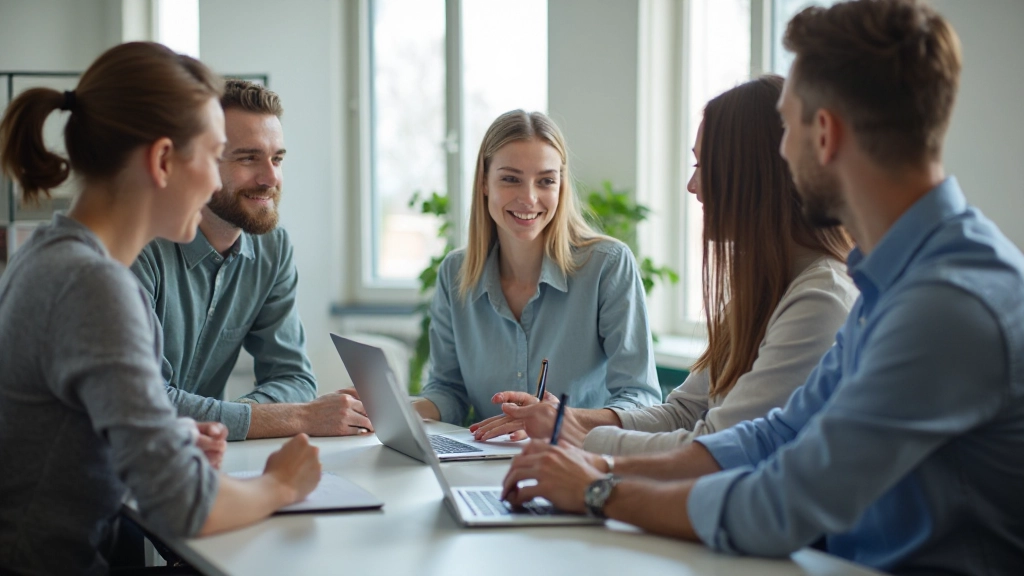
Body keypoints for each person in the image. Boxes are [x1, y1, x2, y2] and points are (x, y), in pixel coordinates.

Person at [500, 1, 1024, 573]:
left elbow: (783, 502)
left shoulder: (946, 304)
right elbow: (771, 438)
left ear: (823, 134)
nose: (780, 152)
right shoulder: (894, 278)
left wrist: (600, 490)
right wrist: (600, 469)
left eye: (789, 126)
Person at [0, 42, 321, 575]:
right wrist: (281, 483)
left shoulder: (53, 254)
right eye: (216, 157)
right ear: (164, 161)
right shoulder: (94, 285)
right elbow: (184, 506)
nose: (217, 183)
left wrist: (167, 439)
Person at [471, 76, 857, 455]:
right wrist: (564, 420)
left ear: (753, 175)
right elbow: (685, 412)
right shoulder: (766, 289)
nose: (692, 186)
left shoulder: (820, 299)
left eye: (704, 166)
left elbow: (715, 450)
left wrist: (574, 438)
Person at [131, 80, 372, 442]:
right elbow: (146, 403)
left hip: (198, 459)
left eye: (277, 159)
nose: (271, 177)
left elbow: (293, 377)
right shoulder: (139, 247)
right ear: (200, 161)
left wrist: (250, 416)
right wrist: (294, 418)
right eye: (248, 158)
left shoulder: (272, 248)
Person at [413, 110, 662, 425]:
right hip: (483, 467)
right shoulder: (455, 273)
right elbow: (448, 392)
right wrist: (386, 412)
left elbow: (640, 398)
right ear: (484, 182)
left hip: (579, 462)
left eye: (545, 181)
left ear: (561, 186)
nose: (529, 198)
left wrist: (560, 421)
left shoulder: (607, 266)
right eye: (511, 179)